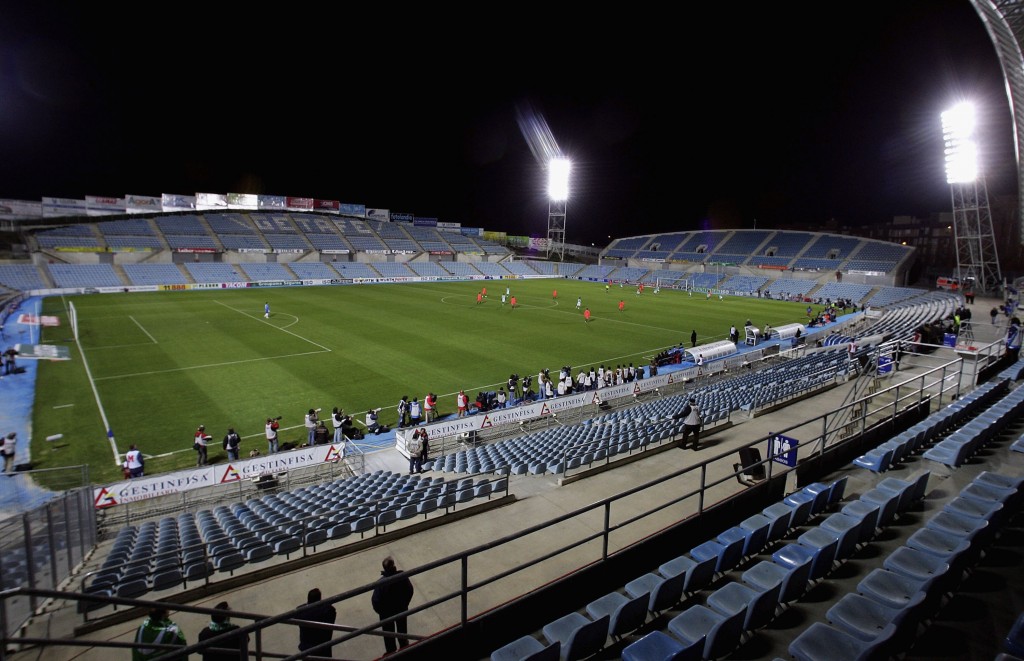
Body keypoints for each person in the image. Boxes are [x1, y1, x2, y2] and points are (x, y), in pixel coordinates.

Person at [371, 556, 414, 655]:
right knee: (402, 631)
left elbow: (375, 601)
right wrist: (405, 604)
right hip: (401, 609)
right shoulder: (402, 576)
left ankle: (391, 652)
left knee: (388, 635)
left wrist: (382, 613)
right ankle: (404, 647)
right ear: (394, 566)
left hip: (386, 614)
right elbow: (410, 590)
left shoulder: (381, 583)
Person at [297, 588, 337, 655]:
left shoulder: (301, 612)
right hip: (323, 647)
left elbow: (297, 612)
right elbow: (331, 610)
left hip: (307, 648)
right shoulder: (328, 611)